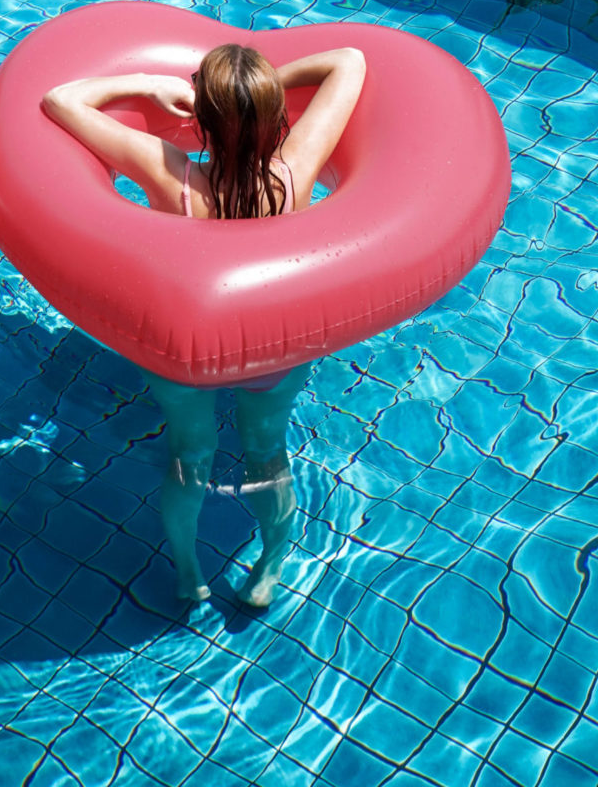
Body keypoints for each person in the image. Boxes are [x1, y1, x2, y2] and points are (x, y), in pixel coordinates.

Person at [42, 39, 365, 610]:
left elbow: (60, 101)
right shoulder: (297, 168)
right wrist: (250, 97)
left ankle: (189, 573)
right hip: (271, 347)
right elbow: (350, 61)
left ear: (203, 123)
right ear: (276, 120)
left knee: (189, 455)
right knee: (267, 451)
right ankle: (268, 567)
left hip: (188, 350)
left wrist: (146, 83)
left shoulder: (173, 176)